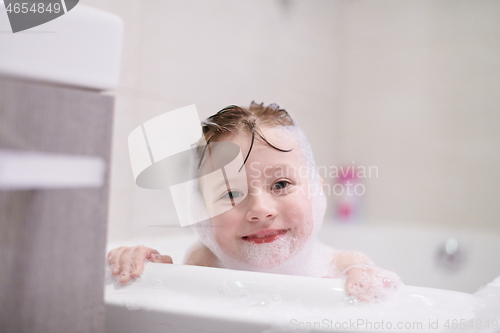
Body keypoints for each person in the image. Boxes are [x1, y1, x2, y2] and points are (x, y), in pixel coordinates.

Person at [107, 102, 401, 302]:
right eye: (231, 194)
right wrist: (150, 268)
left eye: (281, 184)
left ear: (316, 191)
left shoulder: (346, 267)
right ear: (202, 214)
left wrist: (357, 288)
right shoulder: (204, 261)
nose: (260, 210)